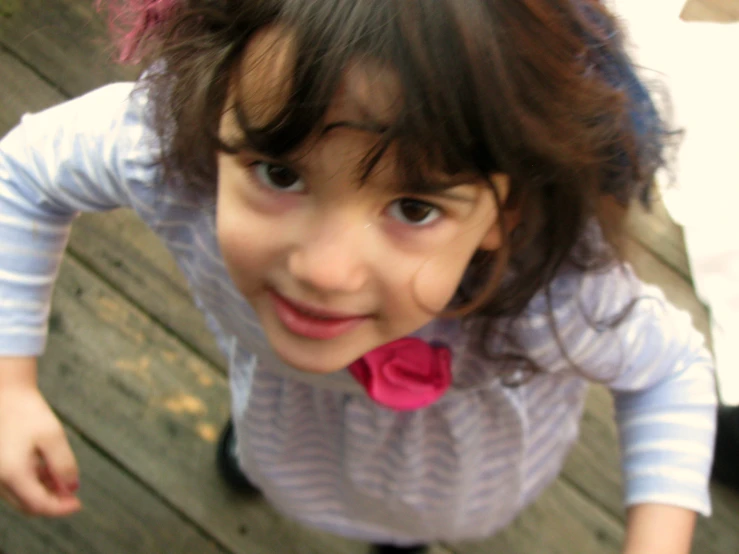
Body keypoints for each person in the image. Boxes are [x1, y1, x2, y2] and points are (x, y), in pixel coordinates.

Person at [0, 1, 718, 553]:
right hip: (286, 422)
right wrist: (9, 382)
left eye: (413, 206)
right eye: (278, 173)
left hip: (454, 479)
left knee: (401, 533)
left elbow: (670, 371)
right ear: (213, 106)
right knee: (267, 450)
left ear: (506, 211)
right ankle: (257, 460)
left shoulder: (552, 295)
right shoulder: (172, 159)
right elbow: (26, 171)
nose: (323, 271)